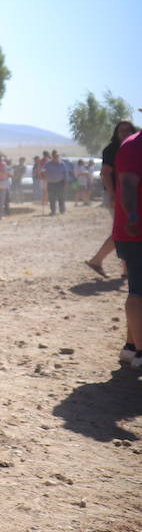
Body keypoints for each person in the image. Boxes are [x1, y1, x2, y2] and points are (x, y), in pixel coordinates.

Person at [110, 126, 142, 368]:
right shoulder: (134, 145)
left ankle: (131, 347)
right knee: (138, 291)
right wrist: (132, 215)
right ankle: (140, 353)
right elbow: (128, 183)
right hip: (135, 230)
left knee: (138, 288)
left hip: (133, 228)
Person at [87, 120, 136, 277]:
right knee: (122, 230)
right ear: (116, 133)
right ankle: (97, 260)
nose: (125, 133)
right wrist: (113, 195)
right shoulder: (112, 149)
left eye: (128, 130)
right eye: (121, 130)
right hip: (116, 195)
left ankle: (126, 270)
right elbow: (106, 173)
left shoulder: (132, 147)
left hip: (128, 196)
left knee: (128, 231)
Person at [43, 150, 69, 216]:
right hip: (51, 183)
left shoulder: (62, 164)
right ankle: (53, 211)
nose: (56, 157)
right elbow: (43, 171)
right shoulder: (48, 164)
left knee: (61, 197)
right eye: (55, 156)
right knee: (52, 198)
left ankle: (62, 210)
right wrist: (43, 173)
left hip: (60, 183)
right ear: (52, 157)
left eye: (57, 156)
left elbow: (65, 174)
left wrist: (66, 183)